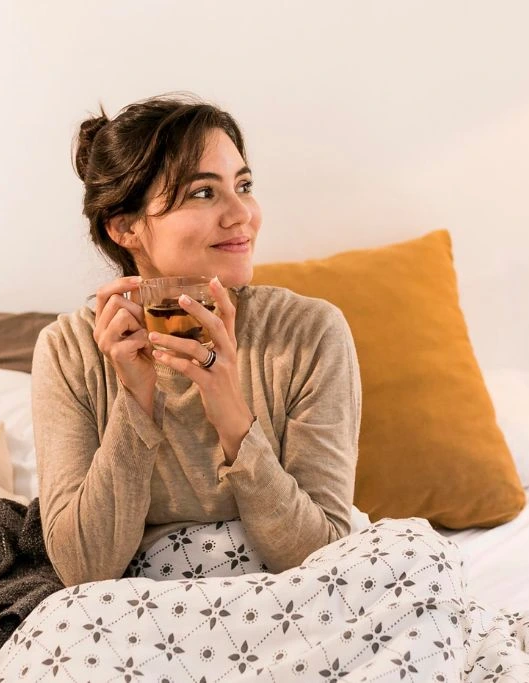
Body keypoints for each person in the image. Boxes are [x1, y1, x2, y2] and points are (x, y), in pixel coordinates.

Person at [32, 94, 361, 587]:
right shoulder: (68, 351)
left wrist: (229, 407)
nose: (241, 215)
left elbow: (323, 562)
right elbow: (84, 570)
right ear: (125, 227)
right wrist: (136, 402)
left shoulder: (309, 334)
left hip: (296, 608)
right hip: (145, 626)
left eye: (243, 186)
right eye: (203, 193)